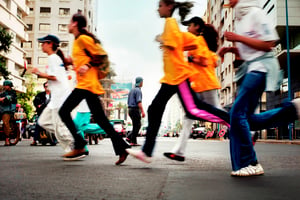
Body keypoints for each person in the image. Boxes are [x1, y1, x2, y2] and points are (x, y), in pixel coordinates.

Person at [126, 0, 230, 163]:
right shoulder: (171, 25)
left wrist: (164, 40)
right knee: (155, 110)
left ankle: (238, 123)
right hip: (171, 79)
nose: (158, 9)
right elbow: (186, 43)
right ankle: (147, 151)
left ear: (169, 7)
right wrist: (166, 41)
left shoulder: (171, 23)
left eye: (160, 5)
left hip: (179, 78)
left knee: (196, 111)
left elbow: (178, 44)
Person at [218, 0, 300, 176]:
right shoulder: (240, 20)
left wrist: (237, 38)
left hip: (261, 69)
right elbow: (249, 51)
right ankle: (293, 110)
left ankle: (251, 162)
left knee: (236, 114)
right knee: (246, 119)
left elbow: (268, 44)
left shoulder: (256, 12)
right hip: (251, 69)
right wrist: (231, 50)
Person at [59, 13, 131, 164]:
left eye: (70, 22)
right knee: (101, 120)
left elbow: (101, 55)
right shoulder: (78, 41)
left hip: (87, 85)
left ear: (75, 24)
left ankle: (79, 145)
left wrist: (88, 65)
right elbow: (80, 60)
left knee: (64, 111)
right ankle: (122, 147)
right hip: (87, 85)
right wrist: (69, 61)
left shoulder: (84, 39)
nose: (68, 25)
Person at [164, 17, 226, 161]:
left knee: (219, 114)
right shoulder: (200, 43)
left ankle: (246, 130)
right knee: (189, 116)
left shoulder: (198, 41)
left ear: (196, 27)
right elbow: (213, 61)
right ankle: (179, 151)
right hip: (199, 84)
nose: (187, 28)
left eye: (189, 26)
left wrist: (190, 60)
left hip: (206, 84)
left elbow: (204, 61)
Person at [32, 34, 74, 155]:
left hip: (60, 98)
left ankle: (73, 143)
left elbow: (56, 77)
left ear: (50, 44)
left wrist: (40, 73)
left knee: (57, 126)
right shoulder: (53, 58)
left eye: (43, 43)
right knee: (43, 122)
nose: (42, 45)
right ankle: (71, 140)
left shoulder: (53, 58)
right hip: (56, 99)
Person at [126, 77, 145, 146]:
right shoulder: (138, 91)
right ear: (140, 82)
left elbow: (128, 101)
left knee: (135, 125)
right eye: (142, 82)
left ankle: (130, 138)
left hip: (130, 109)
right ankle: (132, 140)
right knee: (137, 125)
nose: (142, 83)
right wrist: (142, 111)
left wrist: (129, 111)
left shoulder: (132, 90)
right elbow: (139, 102)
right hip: (135, 109)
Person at [30, 81, 51, 146]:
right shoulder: (40, 95)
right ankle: (35, 140)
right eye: (46, 86)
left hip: (51, 113)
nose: (47, 88)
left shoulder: (54, 95)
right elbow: (35, 101)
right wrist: (38, 105)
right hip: (42, 113)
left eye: (49, 86)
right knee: (38, 124)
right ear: (44, 87)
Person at [0, 80, 17, 146]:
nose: (5, 86)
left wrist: (3, 99)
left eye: (6, 85)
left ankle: (7, 138)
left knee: (5, 123)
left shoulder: (13, 93)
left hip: (8, 110)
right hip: (1, 109)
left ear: (9, 86)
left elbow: (10, 98)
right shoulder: (2, 92)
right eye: (4, 85)